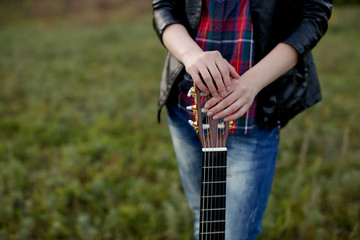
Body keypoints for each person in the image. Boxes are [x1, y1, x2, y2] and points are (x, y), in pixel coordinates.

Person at [152, 0, 332, 239]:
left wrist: (252, 83)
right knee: (204, 217)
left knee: (236, 233)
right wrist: (191, 55)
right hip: (187, 104)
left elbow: (313, 14)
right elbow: (164, 6)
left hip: (254, 111)